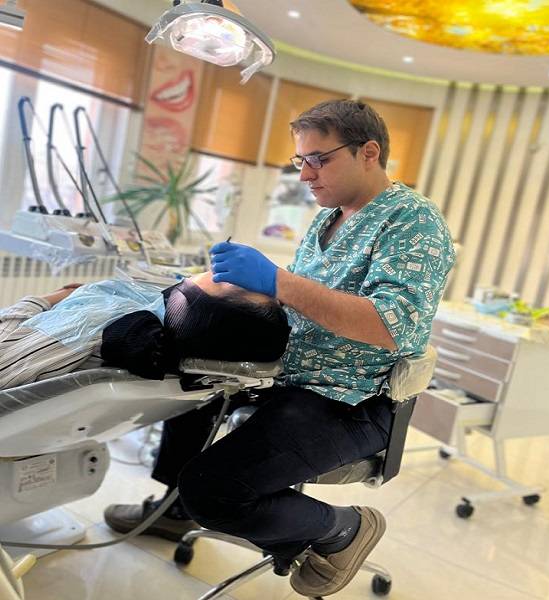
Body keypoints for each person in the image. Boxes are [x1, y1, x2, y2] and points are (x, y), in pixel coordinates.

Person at [104, 99, 455, 597]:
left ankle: (344, 529)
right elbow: (305, 299)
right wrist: (231, 289)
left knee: (214, 489)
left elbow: (390, 325)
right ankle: (173, 510)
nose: (305, 175)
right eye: (300, 161)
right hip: (287, 375)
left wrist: (277, 280)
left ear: (369, 152)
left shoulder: (412, 221)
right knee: (188, 389)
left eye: (319, 159)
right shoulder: (329, 218)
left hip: (349, 400)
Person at [0, 272, 290, 390]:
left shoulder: (94, 324)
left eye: (233, 283)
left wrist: (49, 298)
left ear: (198, 309)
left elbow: (5, 363)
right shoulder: (160, 330)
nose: (225, 271)